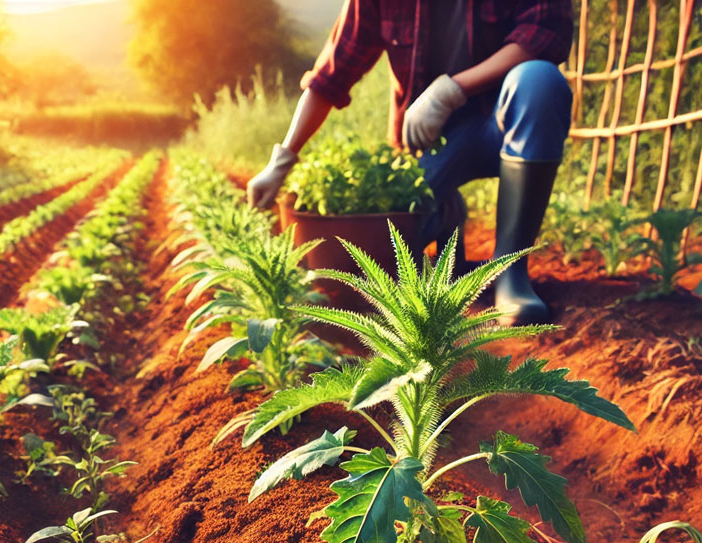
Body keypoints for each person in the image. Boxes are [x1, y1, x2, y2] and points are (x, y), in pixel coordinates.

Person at [246, 0, 574, 325]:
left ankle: (509, 272)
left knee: (540, 81)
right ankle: (446, 213)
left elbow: (546, 33)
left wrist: (453, 90)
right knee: (375, 262)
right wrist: (282, 159)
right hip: (427, 141)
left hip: (504, 124)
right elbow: (332, 75)